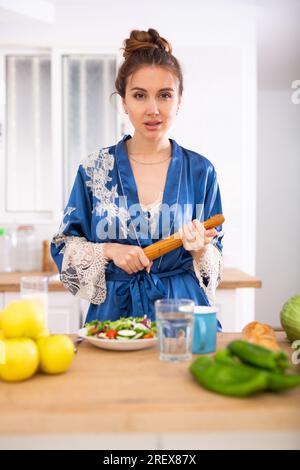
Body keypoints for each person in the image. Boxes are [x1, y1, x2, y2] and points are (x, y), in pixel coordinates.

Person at [50, 28, 224, 329]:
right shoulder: (94, 169)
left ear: (179, 100)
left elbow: (215, 270)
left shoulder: (201, 172)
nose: (153, 109)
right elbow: (64, 248)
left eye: (165, 95)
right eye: (140, 95)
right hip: (112, 320)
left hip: (182, 315)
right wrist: (108, 250)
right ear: (124, 102)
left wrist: (200, 250)